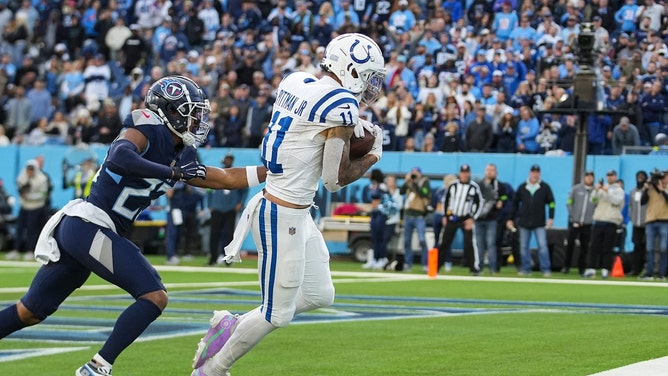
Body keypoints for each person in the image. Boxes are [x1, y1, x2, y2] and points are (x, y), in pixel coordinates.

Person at [0, 75, 267, 376]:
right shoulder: (146, 125)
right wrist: (171, 172)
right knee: (154, 295)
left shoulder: (182, 152)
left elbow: (226, 179)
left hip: (88, 232)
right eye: (189, 112)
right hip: (88, 224)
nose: (196, 120)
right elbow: (120, 157)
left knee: (29, 312)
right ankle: (97, 368)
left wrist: (274, 171)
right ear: (168, 111)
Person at [190, 33, 384, 376]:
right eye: (368, 76)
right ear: (352, 71)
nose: (371, 85)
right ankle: (211, 370)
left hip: (294, 209)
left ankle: (231, 325)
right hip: (282, 212)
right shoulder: (340, 104)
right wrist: (371, 156)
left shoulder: (296, 80)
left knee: (320, 293)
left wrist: (349, 132)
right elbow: (332, 180)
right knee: (276, 313)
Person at [507, 164, 555, 276]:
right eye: (533, 172)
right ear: (530, 173)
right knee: (523, 247)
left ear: (540, 174)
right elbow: (515, 204)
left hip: (539, 222)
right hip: (524, 222)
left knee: (542, 245)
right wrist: (510, 219)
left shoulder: (545, 187)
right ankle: (526, 268)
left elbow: (552, 203)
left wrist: (551, 217)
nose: (535, 174)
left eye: (537, 172)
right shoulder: (522, 187)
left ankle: (546, 269)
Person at [438, 164, 483, 275]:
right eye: (462, 172)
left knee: (470, 243)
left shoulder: (474, 187)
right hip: (452, 217)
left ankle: (474, 268)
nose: (464, 174)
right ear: (460, 173)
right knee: (444, 243)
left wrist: (472, 218)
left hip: (466, 218)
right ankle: (436, 267)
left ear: (469, 173)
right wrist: (445, 216)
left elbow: (479, 203)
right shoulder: (453, 186)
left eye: (466, 172)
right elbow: (446, 201)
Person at [207, 153, 249, 266]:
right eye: (227, 159)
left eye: (230, 159)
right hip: (217, 207)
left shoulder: (235, 174)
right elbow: (209, 190)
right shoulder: (217, 173)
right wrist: (210, 204)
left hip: (230, 208)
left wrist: (240, 203)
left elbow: (245, 189)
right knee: (214, 234)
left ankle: (227, 258)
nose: (228, 161)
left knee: (229, 234)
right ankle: (213, 258)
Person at [583, 170, 625, 279]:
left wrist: (608, 192)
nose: (610, 178)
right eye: (608, 175)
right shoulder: (601, 188)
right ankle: (591, 268)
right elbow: (593, 200)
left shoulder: (618, 190)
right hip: (599, 220)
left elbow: (616, 201)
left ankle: (605, 269)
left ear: (615, 176)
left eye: (612, 175)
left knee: (607, 247)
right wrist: (596, 191)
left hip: (611, 221)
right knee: (594, 246)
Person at [6, 160, 49, 261]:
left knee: (32, 229)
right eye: (28, 170)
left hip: (36, 207)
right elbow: (19, 186)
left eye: (31, 170)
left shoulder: (42, 179)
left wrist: (29, 196)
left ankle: (30, 250)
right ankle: (15, 250)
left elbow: (43, 195)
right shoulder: (23, 176)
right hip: (24, 206)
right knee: (19, 228)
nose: (29, 172)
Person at [475, 163, 507, 274]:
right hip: (479, 218)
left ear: (496, 172)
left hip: (492, 218)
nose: (489, 172)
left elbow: (504, 196)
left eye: (492, 170)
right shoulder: (479, 184)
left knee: (491, 243)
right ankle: (479, 267)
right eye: (488, 170)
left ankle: (492, 268)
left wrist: (501, 201)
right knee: (479, 244)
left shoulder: (499, 185)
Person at [363, 169, 397, 269]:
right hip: (374, 213)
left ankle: (382, 258)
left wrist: (382, 207)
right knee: (374, 237)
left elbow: (387, 199)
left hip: (380, 213)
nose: (368, 175)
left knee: (380, 236)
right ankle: (374, 258)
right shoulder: (372, 186)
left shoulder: (382, 186)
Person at [563, 171, 596, 276]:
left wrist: (592, 218)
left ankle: (581, 268)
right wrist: (573, 217)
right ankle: (566, 266)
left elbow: (597, 205)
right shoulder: (576, 189)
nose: (589, 178)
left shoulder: (595, 191)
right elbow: (569, 203)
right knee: (570, 245)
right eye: (587, 176)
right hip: (575, 222)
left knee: (585, 247)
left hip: (587, 223)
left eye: (591, 177)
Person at [400, 166, 432, 271]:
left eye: (416, 172)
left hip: (419, 216)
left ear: (420, 173)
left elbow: (424, 193)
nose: (414, 174)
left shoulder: (424, 182)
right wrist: (407, 181)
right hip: (408, 215)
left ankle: (425, 264)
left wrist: (416, 183)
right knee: (407, 241)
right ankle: (408, 263)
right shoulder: (409, 182)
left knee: (422, 240)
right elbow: (401, 191)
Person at [165, 181, 205, 265]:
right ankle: (170, 255)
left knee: (179, 233)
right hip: (174, 210)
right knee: (172, 233)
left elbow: (199, 194)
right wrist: (175, 185)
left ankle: (174, 254)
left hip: (182, 211)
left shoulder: (186, 184)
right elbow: (169, 194)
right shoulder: (172, 182)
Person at [639, 169, 668, 280]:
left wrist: (662, 190)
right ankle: (649, 273)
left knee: (663, 248)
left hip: (664, 220)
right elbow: (642, 202)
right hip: (650, 221)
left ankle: (661, 273)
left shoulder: (666, 188)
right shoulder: (650, 188)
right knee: (649, 248)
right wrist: (646, 189)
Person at [627, 170, 648, 276]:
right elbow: (630, 206)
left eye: (642, 176)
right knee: (636, 246)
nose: (640, 178)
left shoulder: (648, 191)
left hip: (647, 223)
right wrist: (631, 217)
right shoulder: (632, 191)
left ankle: (645, 268)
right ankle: (635, 269)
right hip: (636, 224)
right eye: (638, 176)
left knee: (646, 247)